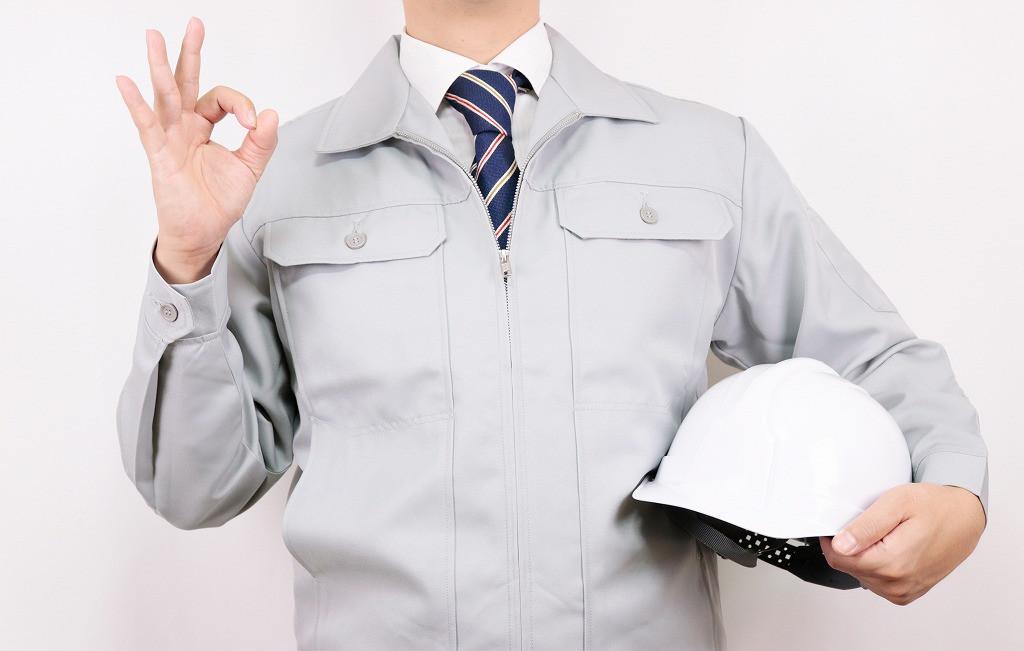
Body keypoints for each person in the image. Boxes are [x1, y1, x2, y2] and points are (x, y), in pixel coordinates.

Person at [113, 1, 989, 648]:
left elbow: (880, 358)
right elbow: (195, 486)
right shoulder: (277, 179)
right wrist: (187, 260)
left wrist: (955, 493)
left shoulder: (709, 157)